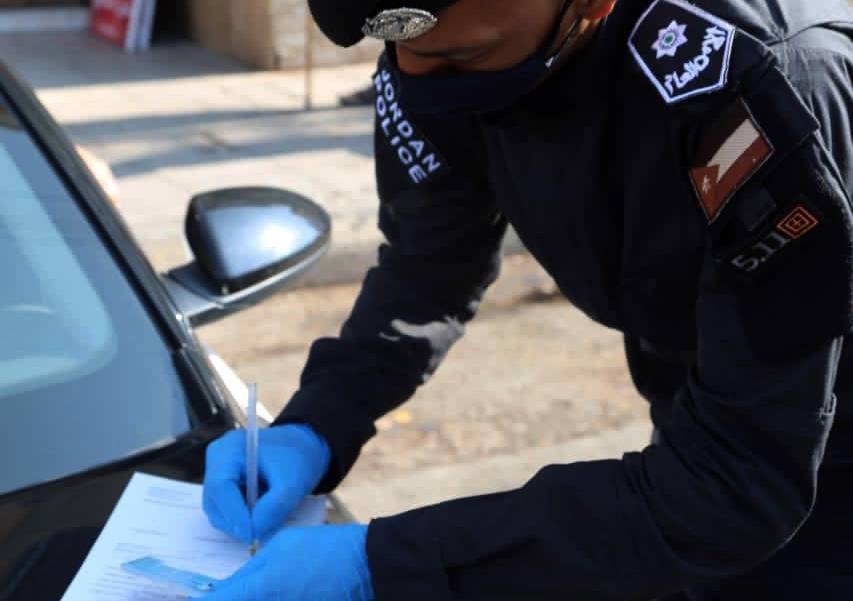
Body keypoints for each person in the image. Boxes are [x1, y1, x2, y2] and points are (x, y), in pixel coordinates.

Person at [201, 0, 853, 599]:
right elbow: (431, 264)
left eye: (466, 58)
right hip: (701, 410)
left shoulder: (750, 85)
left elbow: (737, 485)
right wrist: (319, 418)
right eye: (401, 52)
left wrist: (386, 564)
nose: (424, 75)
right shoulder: (436, 47)